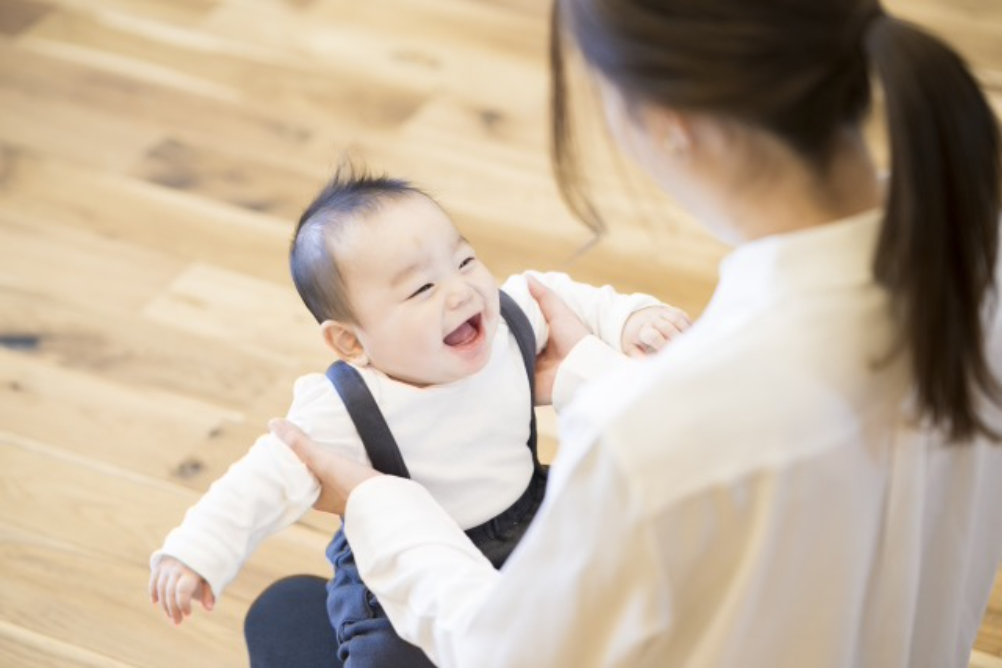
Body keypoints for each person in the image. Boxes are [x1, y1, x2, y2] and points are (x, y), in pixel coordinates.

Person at [246, 0, 1002, 666]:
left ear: (670, 125)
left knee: (283, 617)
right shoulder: (979, 240)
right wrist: (583, 375)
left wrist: (377, 502)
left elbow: (504, 654)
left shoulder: (646, 442)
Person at [148, 164, 690, 666]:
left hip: (530, 518)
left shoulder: (514, 317)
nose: (460, 290)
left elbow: (583, 303)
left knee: (608, 582)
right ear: (349, 341)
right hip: (395, 576)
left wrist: (635, 321)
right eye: (422, 288)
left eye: (464, 260)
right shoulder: (344, 406)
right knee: (388, 653)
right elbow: (261, 479)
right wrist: (197, 552)